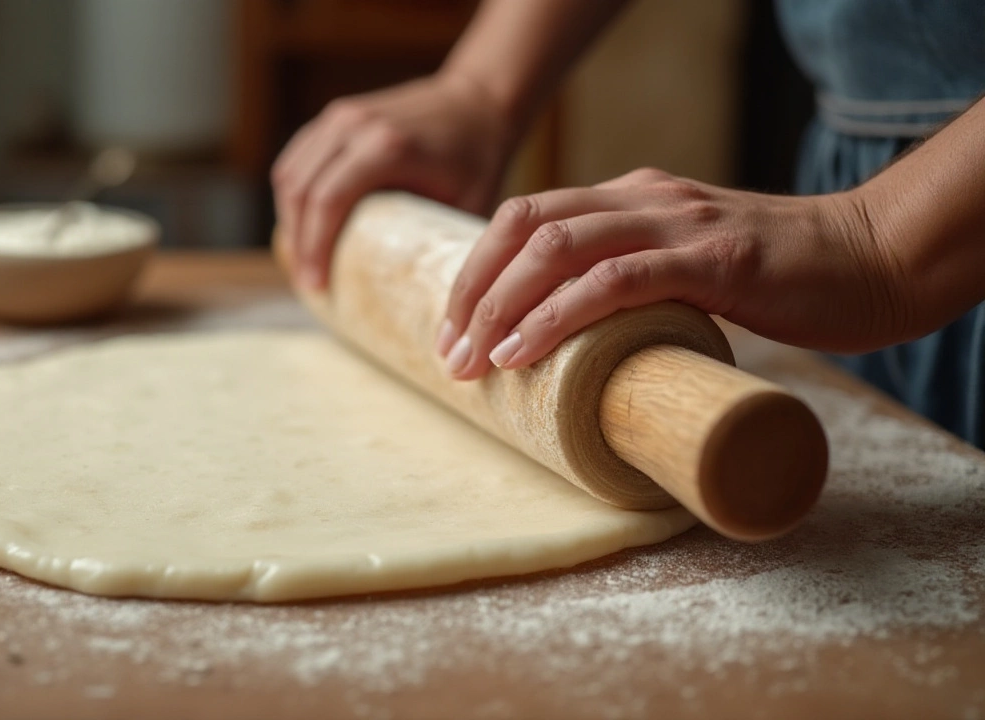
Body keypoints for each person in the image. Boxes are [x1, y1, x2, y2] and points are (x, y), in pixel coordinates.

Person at [271, 0, 985, 448]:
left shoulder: (876, 241)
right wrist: (481, 88)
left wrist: (879, 237)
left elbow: (882, 238)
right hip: (860, 176)